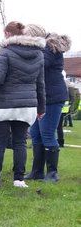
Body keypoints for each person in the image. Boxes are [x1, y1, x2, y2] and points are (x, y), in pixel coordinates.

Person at [0, 21, 46, 189]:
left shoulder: (5, 52)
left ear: (7, 34)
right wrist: (41, 108)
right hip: (27, 105)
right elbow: (40, 84)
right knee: (20, 143)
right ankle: (19, 179)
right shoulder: (39, 54)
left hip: (4, 104)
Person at [28, 32, 71, 181]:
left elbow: (41, 63)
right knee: (35, 134)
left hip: (52, 98)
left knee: (47, 134)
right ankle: (37, 171)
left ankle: (52, 173)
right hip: (42, 98)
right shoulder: (46, 49)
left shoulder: (50, 49)